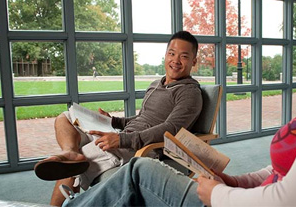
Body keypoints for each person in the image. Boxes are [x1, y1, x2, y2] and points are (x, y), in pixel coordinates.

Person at [61, 0, 296, 206]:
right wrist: (236, 181)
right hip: (240, 195)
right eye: (171, 53)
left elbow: (292, 201)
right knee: (71, 125)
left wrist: (220, 194)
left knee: (139, 171)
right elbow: (284, 173)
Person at [34, 30, 203, 206]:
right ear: (166, 55)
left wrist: (122, 139)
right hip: (126, 134)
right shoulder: (156, 85)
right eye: (172, 53)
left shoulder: (189, 93)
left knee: (70, 166)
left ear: (194, 61)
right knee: (66, 117)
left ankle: (72, 160)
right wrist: (113, 121)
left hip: (142, 147)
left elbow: (171, 129)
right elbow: (143, 118)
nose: (175, 60)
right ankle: (70, 151)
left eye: (183, 56)